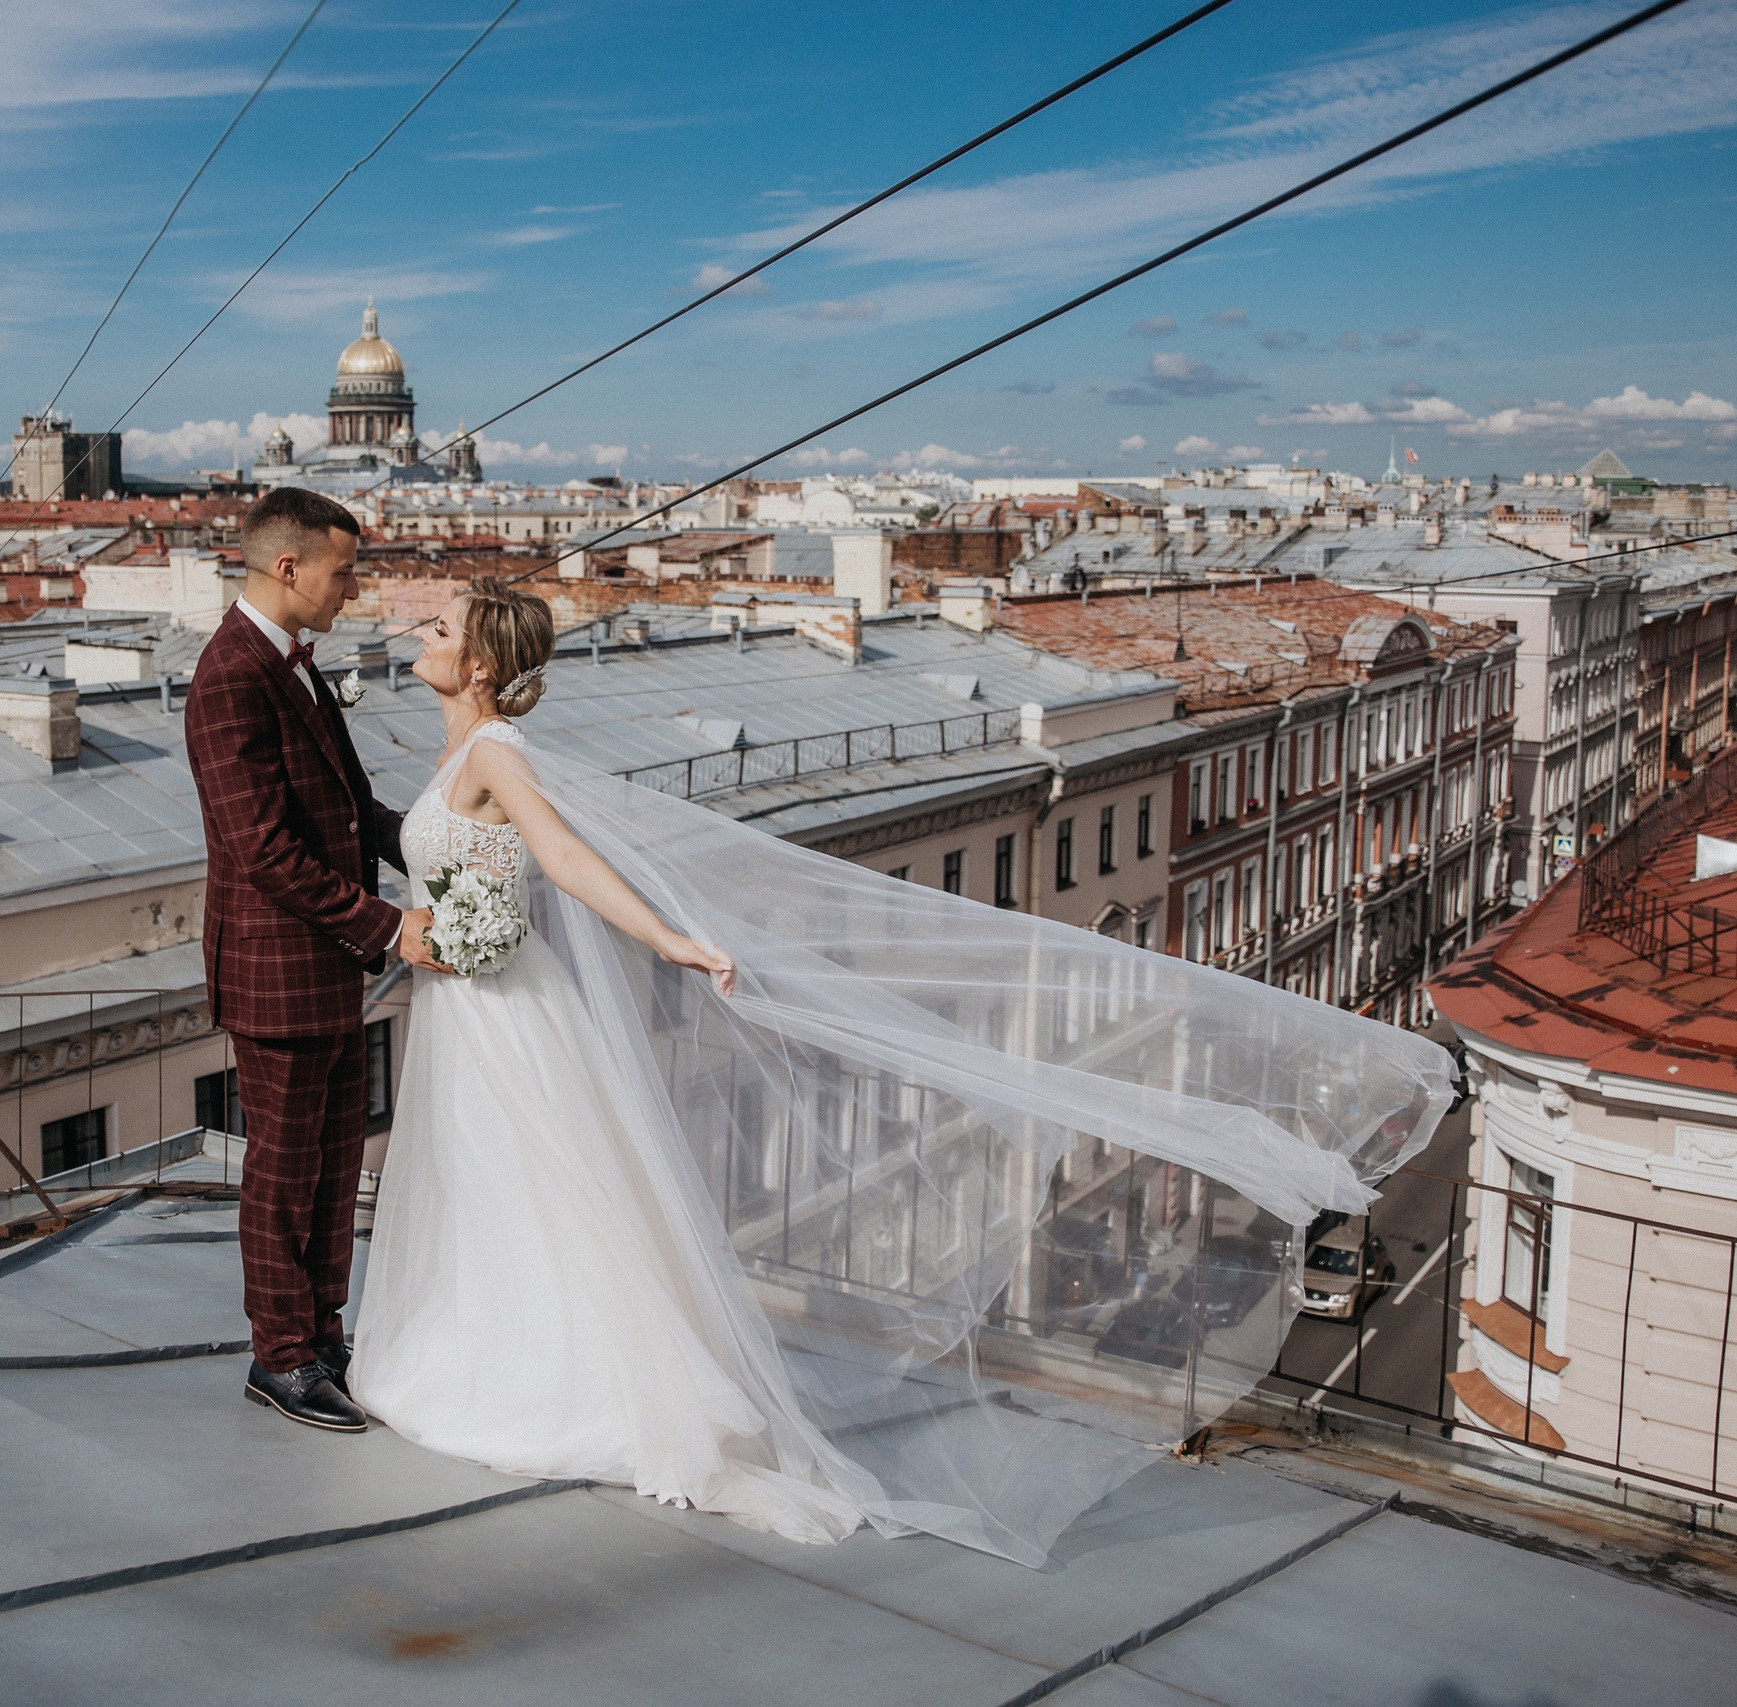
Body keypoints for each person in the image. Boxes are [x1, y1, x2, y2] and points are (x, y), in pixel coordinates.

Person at [353, 578, 1455, 1561]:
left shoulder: (496, 752)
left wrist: (669, 939)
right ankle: (480, 1354)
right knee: (486, 1189)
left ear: (482, 662)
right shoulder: (451, 756)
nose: (416, 629)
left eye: (437, 625)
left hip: (507, 1010)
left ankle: (552, 1387)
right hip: (468, 1003)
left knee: (535, 1190)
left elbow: (563, 858)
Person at [183, 486, 444, 1435]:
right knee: (284, 1173)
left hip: (325, 963)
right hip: (277, 968)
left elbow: (350, 811)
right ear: (288, 568)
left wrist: (449, 848)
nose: (355, 591)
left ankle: (324, 1338)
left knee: (335, 1169)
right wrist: (388, 927)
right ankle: (279, 1356)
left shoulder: (293, 664)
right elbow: (265, 850)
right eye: (345, 572)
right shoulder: (229, 676)